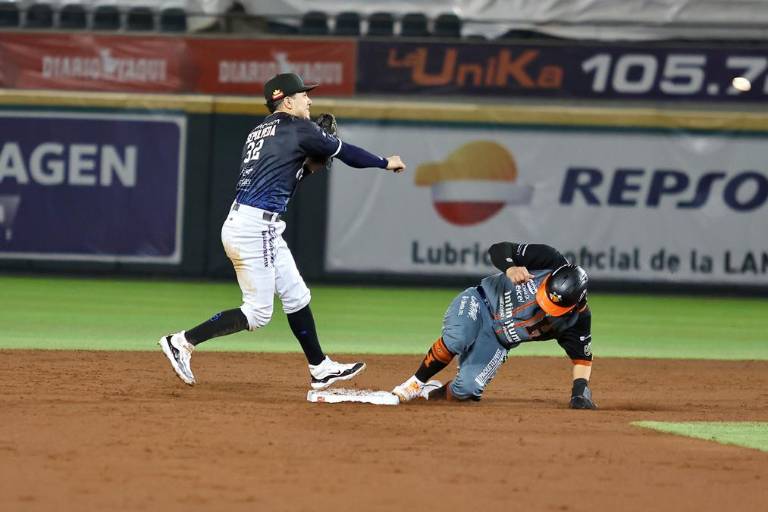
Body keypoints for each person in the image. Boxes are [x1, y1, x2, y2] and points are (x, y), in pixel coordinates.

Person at [160, 72, 406, 389]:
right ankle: (182, 342)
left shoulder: (259, 132)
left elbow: (285, 176)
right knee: (258, 313)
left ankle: (320, 367)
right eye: (304, 95)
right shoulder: (299, 128)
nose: (309, 100)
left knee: (296, 295)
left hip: (255, 223)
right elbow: (347, 153)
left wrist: (308, 167)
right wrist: (385, 162)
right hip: (254, 228)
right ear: (287, 101)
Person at [392, 242, 597, 409]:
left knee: (466, 390)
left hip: (497, 342)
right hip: (479, 302)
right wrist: (510, 267)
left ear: (574, 305)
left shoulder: (577, 320)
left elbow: (582, 360)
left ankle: (430, 394)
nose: (545, 304)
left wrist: (579, 393)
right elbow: (499, 249)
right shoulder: (549, 259)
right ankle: (414, 384)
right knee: (458, 338)